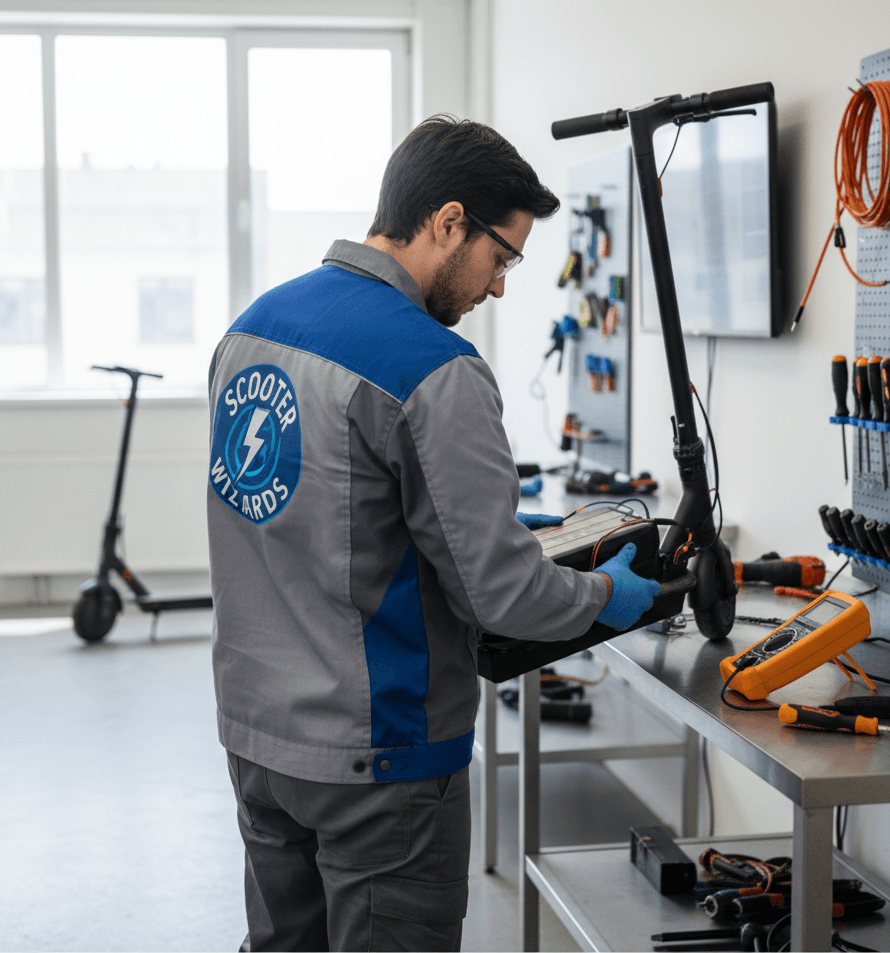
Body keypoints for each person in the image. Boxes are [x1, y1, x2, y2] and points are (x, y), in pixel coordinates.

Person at [206, 114, 660, 953]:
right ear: (449, 221)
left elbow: (317, 510)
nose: (496, 288)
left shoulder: (253, 328)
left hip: (259, 737)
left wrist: (498, 524)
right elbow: (505, 594)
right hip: (377, 759)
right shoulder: (433, 367)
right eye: (502, 257)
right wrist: (608, 594)